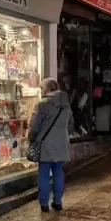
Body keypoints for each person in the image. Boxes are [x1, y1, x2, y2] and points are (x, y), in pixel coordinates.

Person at [29, 78, 71, 212]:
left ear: (47, 89)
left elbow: (34, 125)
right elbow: (70, 125)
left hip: (46, 143)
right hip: (61, 143)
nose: (40, 91)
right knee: (58, 172)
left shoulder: (42, 104)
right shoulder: (66, 105)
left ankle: (44, 203)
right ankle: (58, 202)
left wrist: (31, 138)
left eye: (41, 88)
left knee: (44, 174)